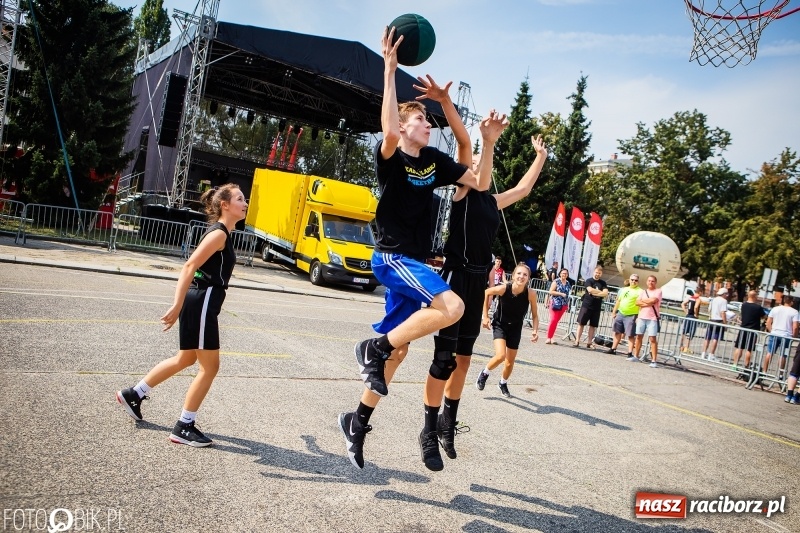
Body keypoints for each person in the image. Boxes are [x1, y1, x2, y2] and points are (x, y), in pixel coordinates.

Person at [338, 27, 496, 472]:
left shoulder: (433, 162)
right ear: (405, 127)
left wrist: (482, 137)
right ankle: (373, 347)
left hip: (415, 262)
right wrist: (390, 69)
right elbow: (388, 128)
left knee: (400, 350)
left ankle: (357, 421)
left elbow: (479, 180)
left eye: (429, 120)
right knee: (453, 306)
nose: (428, 125)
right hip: (393, 257)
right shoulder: (392, 156)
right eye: (422, 120)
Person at [411, 74, 546, 466]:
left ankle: (448, 422)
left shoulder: (492, 201)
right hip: (455, 277)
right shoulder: (463, 190)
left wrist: (540, 157)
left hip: (477, 279)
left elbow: (523, 189)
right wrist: (484, 138)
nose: (476, 168)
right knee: (444, 359)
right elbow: (469, 154)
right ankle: (428, 429)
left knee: (465, 359)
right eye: (471, 164)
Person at [115, 184, 248, 447]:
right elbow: (190, 266)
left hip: (201, 301)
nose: (245, 203)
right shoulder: (219, 234)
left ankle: (134, 394)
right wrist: (176, 305)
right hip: (203, 301)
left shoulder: (222, 233)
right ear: (225, 205)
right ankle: (184, 426)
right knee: (210, 367)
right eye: (240, 199)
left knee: (185, 358)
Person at [475, 264, 540, 397]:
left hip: (516, 328)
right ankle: (484, 373)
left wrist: (535, 330)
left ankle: (503, 383)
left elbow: (535, 315)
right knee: (501, 356)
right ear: (513, 276)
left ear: (528, 278)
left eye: (525, 275)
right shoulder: (504, 288)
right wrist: (485, 316)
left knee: (510, 362)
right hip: (500, 324)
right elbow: (487, 292)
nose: (521, 276)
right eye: (519, 273)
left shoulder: (531, 294)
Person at [762, 295, 799, 379]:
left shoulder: (775, 309)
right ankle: (780, 374)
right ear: (791, 302)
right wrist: (794, 336)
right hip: (786, 335)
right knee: (783, 355)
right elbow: (795, 326)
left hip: (775, 333)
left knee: (769, 352)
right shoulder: (794, 312)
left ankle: (764, 371)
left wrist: (771, 331)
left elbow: (768, 322)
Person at [604, 274, 642, 356]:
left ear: (638, 282)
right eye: (632, 280)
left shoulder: (640, 291)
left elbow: (641, 305)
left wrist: (638, 316)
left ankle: (630, 352)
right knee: (617, 332)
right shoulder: (624, 289)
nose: (634, 281)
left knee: (630, 334)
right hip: (621, 313)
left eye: (636, 280)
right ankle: (613, 349)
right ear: (629, 280)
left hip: (632, 315)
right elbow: (618, 301)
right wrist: (614, 312)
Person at [573, 266, 609, 349]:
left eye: (599, 273)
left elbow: (605, 293)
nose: (597, 274)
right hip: (587, 305)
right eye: (596, 272)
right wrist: (599, 292)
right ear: (593, 272)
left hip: (596, 307)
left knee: (593, 325)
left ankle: (589, 342)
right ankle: (577, 340)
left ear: (601, 274)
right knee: (581, 323)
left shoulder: (603, 283)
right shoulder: (589, 281)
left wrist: (595, 292)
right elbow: (590, 290)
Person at [732, 290, 764, 378]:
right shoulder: (758, 307)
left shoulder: (744, 305)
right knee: (749, 349)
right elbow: (763, 316)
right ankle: (746, 366)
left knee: (739, 347)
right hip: (753, 330)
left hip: (743, 328)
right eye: (756, 296)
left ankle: (735, 364)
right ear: (754, 296)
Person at [634, 275, 663, 368]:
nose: (650, 282)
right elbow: (637, 302)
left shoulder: (658, 291)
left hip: (652, 318)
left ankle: (654, 360)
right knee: (639, 336)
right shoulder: (643, 292)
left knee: (652, 339)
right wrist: (647, 302)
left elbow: (654, 300)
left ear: (655, 282)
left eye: (652, 281)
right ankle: (636, 356)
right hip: (642, 316)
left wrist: (643, 302)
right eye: (649, 281)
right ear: (647, 282)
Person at [700, 288, 729, 361]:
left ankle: (703, 353)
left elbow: (709, 309)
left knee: (707, 337)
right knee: (715, 338)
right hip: (718, 320)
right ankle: (711, 354)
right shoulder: (724, 301)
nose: (727, 295)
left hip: (711, 319)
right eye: (726, 294)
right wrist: (725, 323)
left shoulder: (714, 300)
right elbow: (723, 312)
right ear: (723, 294)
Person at [545, 268, 571, 344]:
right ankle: (548, 337)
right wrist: (560, 294)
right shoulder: (556, 281)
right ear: (560, 274)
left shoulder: (568, 283)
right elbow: (551, 291)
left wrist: (568, 304)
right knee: (553, 320)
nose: (564, 275)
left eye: (566, 273)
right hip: (555, 303)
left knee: (556, 321)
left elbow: (568, 294)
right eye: (563, 273)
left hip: (564, 304)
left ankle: (552, 337)